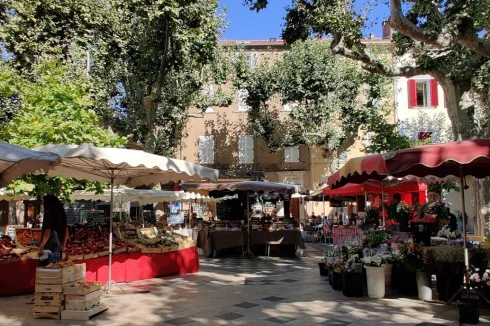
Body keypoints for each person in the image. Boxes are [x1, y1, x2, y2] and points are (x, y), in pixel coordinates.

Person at [38, 195, 68, 267]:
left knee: (46, 269)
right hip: (58, 247)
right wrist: (63, 244)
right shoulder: (62, 214)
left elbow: (47, 231)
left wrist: (41, 247)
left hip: (49, 247)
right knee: (55, 269)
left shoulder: (49, 213)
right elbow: (66, 230)